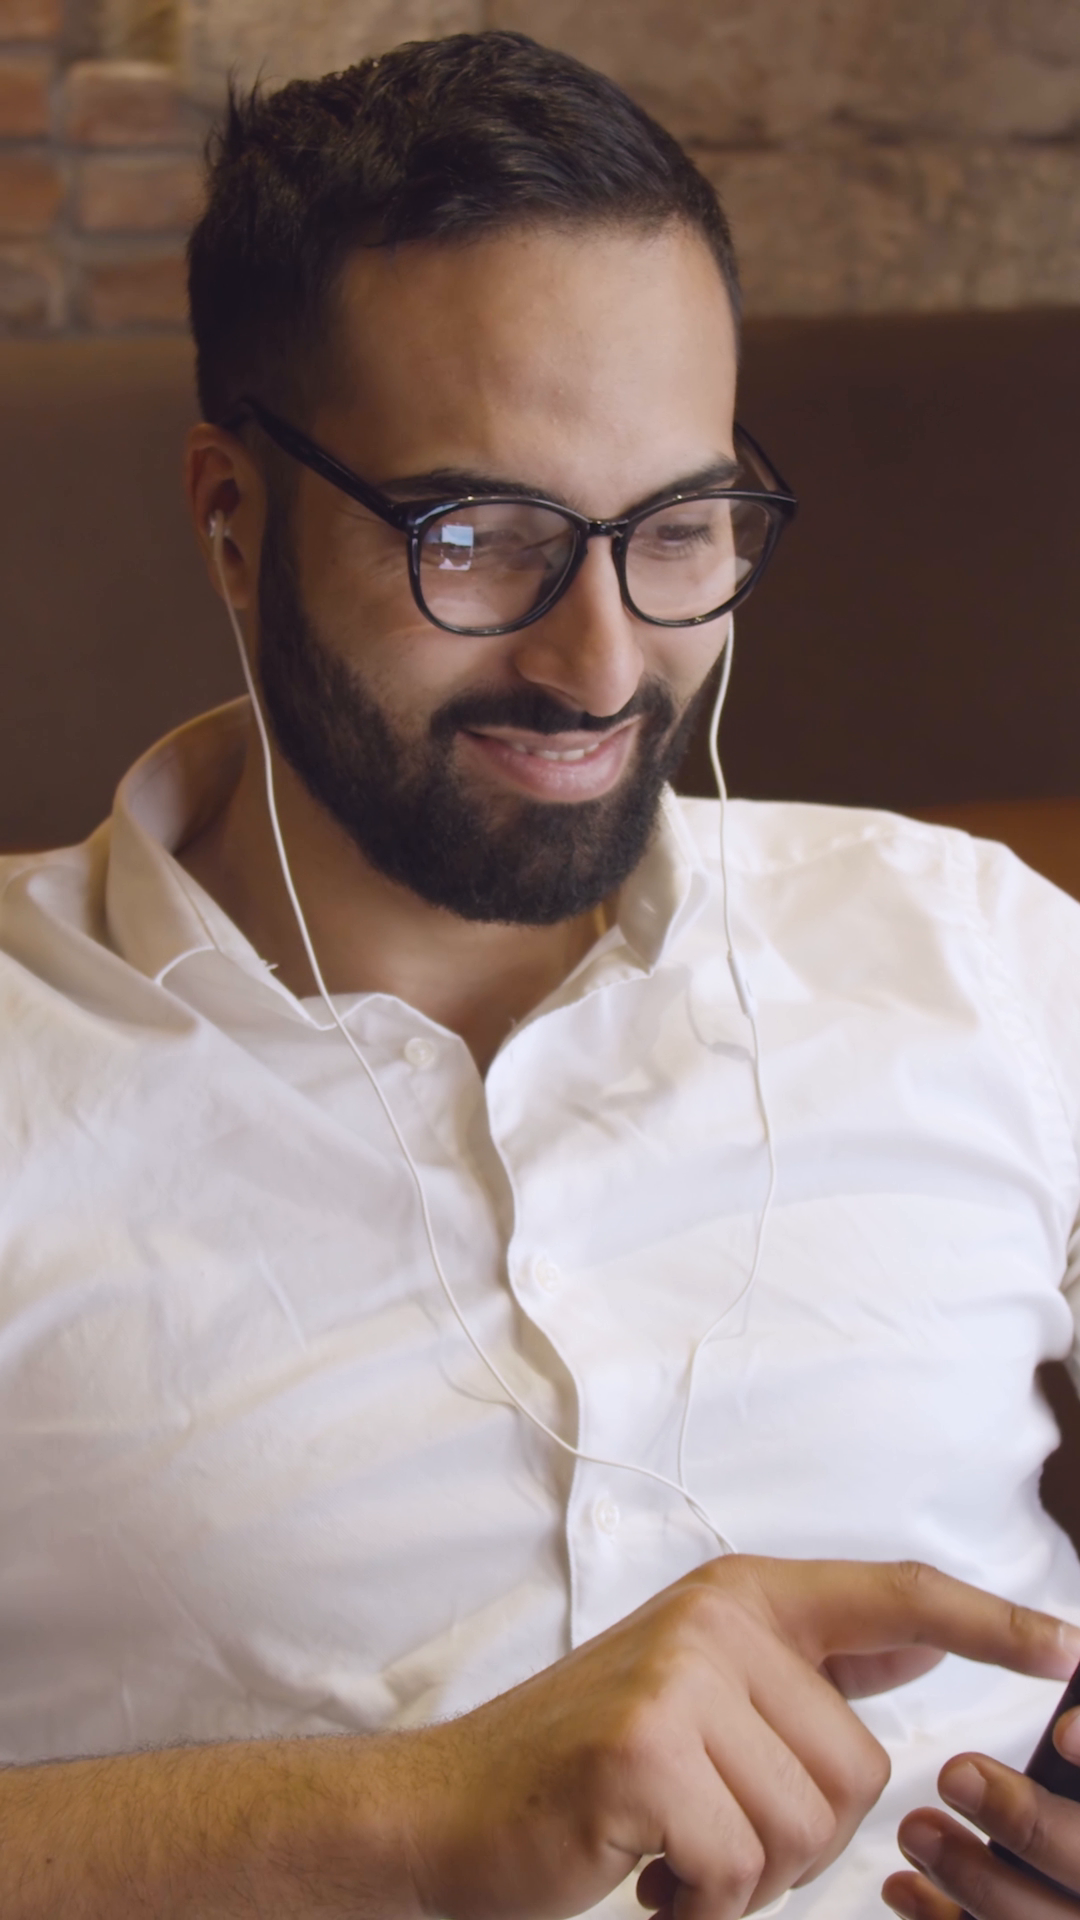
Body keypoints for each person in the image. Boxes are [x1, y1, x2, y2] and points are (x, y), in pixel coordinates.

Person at [3, 27, 1080, 1920]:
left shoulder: (976, 948)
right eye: (478, 536)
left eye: (680, 530)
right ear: (230, 514)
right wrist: (414, 1816)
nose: (601, 667)